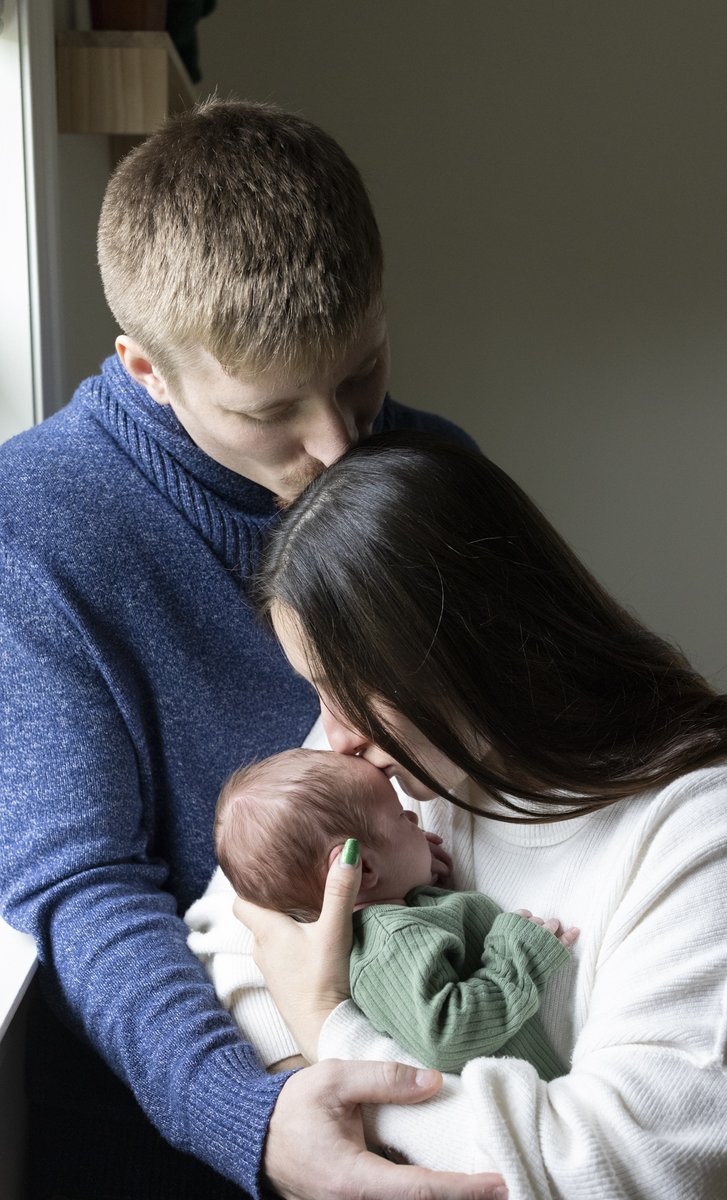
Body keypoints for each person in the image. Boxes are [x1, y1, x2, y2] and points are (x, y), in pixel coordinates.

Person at [0, 100, 507, 1200]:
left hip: (456, 1077)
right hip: (166, 1135)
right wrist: (258, 1117)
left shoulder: (433, 466)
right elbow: (85, 887)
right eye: (270, 409)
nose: (339, 445)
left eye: (361, 372)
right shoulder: (30, 525)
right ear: (145, 370)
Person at [225, 431, 727, 1199]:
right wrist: (317, 1109)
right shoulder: (386, 765)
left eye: (353, 689)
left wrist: (331, 1028)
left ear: (471, 649)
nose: (335, 737)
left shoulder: (711, 826)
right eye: (317, 692)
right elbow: (237, 938)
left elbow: (636, 1168)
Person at [196, 746, 577, 1079]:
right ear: (363, 869)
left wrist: (412, 871)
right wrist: (517, 960)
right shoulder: (390, 943)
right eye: (400, 817)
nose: (414, 820)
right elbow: (445, 1033)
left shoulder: (389, 922)